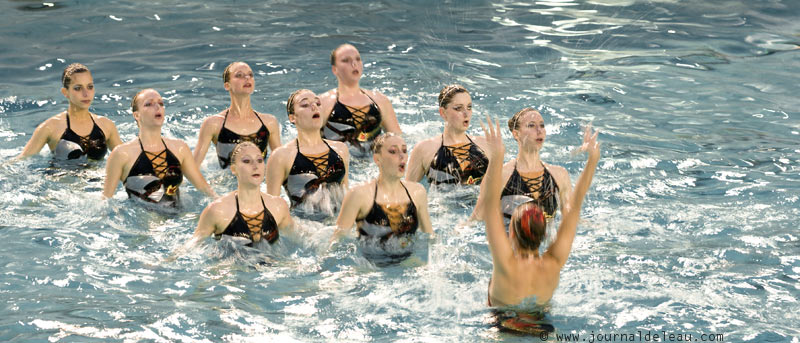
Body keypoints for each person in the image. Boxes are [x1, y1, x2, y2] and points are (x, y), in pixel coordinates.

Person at [478, 117, 600, 308]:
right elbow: (574, 207)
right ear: (545, 233)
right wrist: (593, 159)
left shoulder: (505, 263)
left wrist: (496, 157)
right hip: (543, 325)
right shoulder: (554, 262)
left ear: (512, 232)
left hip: (504, 327)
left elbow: (491, 204)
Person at [103, 89, 216, 207]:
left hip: (178, 217)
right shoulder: (122, 154)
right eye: (149, 104)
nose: (157, 107)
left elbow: (203, 187)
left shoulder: (180, 148)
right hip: (143, 222)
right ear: (137, 115)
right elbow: (106, 202)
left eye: (161, 103)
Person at [333, 132, 433, 262]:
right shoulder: (359, 195)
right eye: (393, 151)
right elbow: (337, 242)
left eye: (404, 150)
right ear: (377, 159)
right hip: (369, 267)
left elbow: (429, 237)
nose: (402, 156)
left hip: (406, 263)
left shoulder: (417, 192)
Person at [471, 108, 572, 223]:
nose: (539, 130)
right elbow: (478, 217)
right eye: (531, 126)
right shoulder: (501, 175)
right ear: (516, 134)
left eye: (542, 125)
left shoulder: (560, 175)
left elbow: (572, 218)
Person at [188, 141, 292, 247]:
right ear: (233, 169)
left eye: (260, 160)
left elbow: (297, 239)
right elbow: (191, 248)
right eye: (247, 161)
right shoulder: (217, 211)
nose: (255, 166)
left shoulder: (278, 207)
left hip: (274, 263)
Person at [266, 89, 350, 216]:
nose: (314, 107)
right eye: (305, 105)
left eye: (317, 103)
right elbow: (271, 208)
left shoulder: (341, 149)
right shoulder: (281, 156)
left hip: (336, 223)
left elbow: (346, 196)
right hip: (304, 228)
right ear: (292, 118)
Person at [17, 63, 122, 161]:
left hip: (97, 179)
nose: (86, 94)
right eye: (78, 88)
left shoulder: (106, 126)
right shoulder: (50, 127)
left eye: (90, 87)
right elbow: (21, 160)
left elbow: (126, 159)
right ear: (65, 92)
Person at [193, 61, 281, 169]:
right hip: (226, 183)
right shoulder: (214, 124)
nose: (247, 78)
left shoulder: (269, 122)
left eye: (250, 75)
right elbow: (193, 167)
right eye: (239, 75)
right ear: (227, 85)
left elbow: (282, 165)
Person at [319, 44, 401, 154]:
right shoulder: (323, 103)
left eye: (357, 59)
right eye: (346, 60)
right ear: (335, 69)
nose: (354, 64)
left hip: (372, 165)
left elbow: (398, 141)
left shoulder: (381, 101)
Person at [405, 84, 489, 186]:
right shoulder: (424, 149)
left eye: (469, 107)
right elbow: (408, 192)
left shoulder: (485, 145)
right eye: (458, 108)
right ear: (443, 113)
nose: (466, 114)